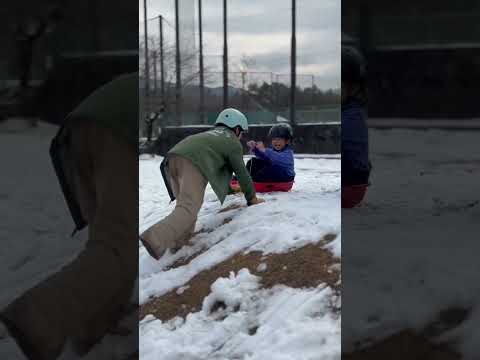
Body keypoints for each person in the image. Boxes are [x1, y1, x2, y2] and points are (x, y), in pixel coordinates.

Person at [0, 73, 138, 360]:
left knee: (112, 242)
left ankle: (96, 326)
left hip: (82, 130)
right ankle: (36, 319)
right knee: (119, 246)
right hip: (114, 131)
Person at [140, 108, 265, 261]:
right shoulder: (232, 141)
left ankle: (177, 246)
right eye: (242, 132)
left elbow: (221, 173)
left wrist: (231, 189)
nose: (241, 136)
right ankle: (154, 238)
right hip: (192, 162)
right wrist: (252, 198)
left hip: (171, 159)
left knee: (185, 208)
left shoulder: (210, 136)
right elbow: (242, 173)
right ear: (237, 128)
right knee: (188, 208)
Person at [341, 45, 371, 188]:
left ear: (352, 86)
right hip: (358, 182)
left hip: (349, 186)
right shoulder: (355, 110)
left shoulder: (350, 114)